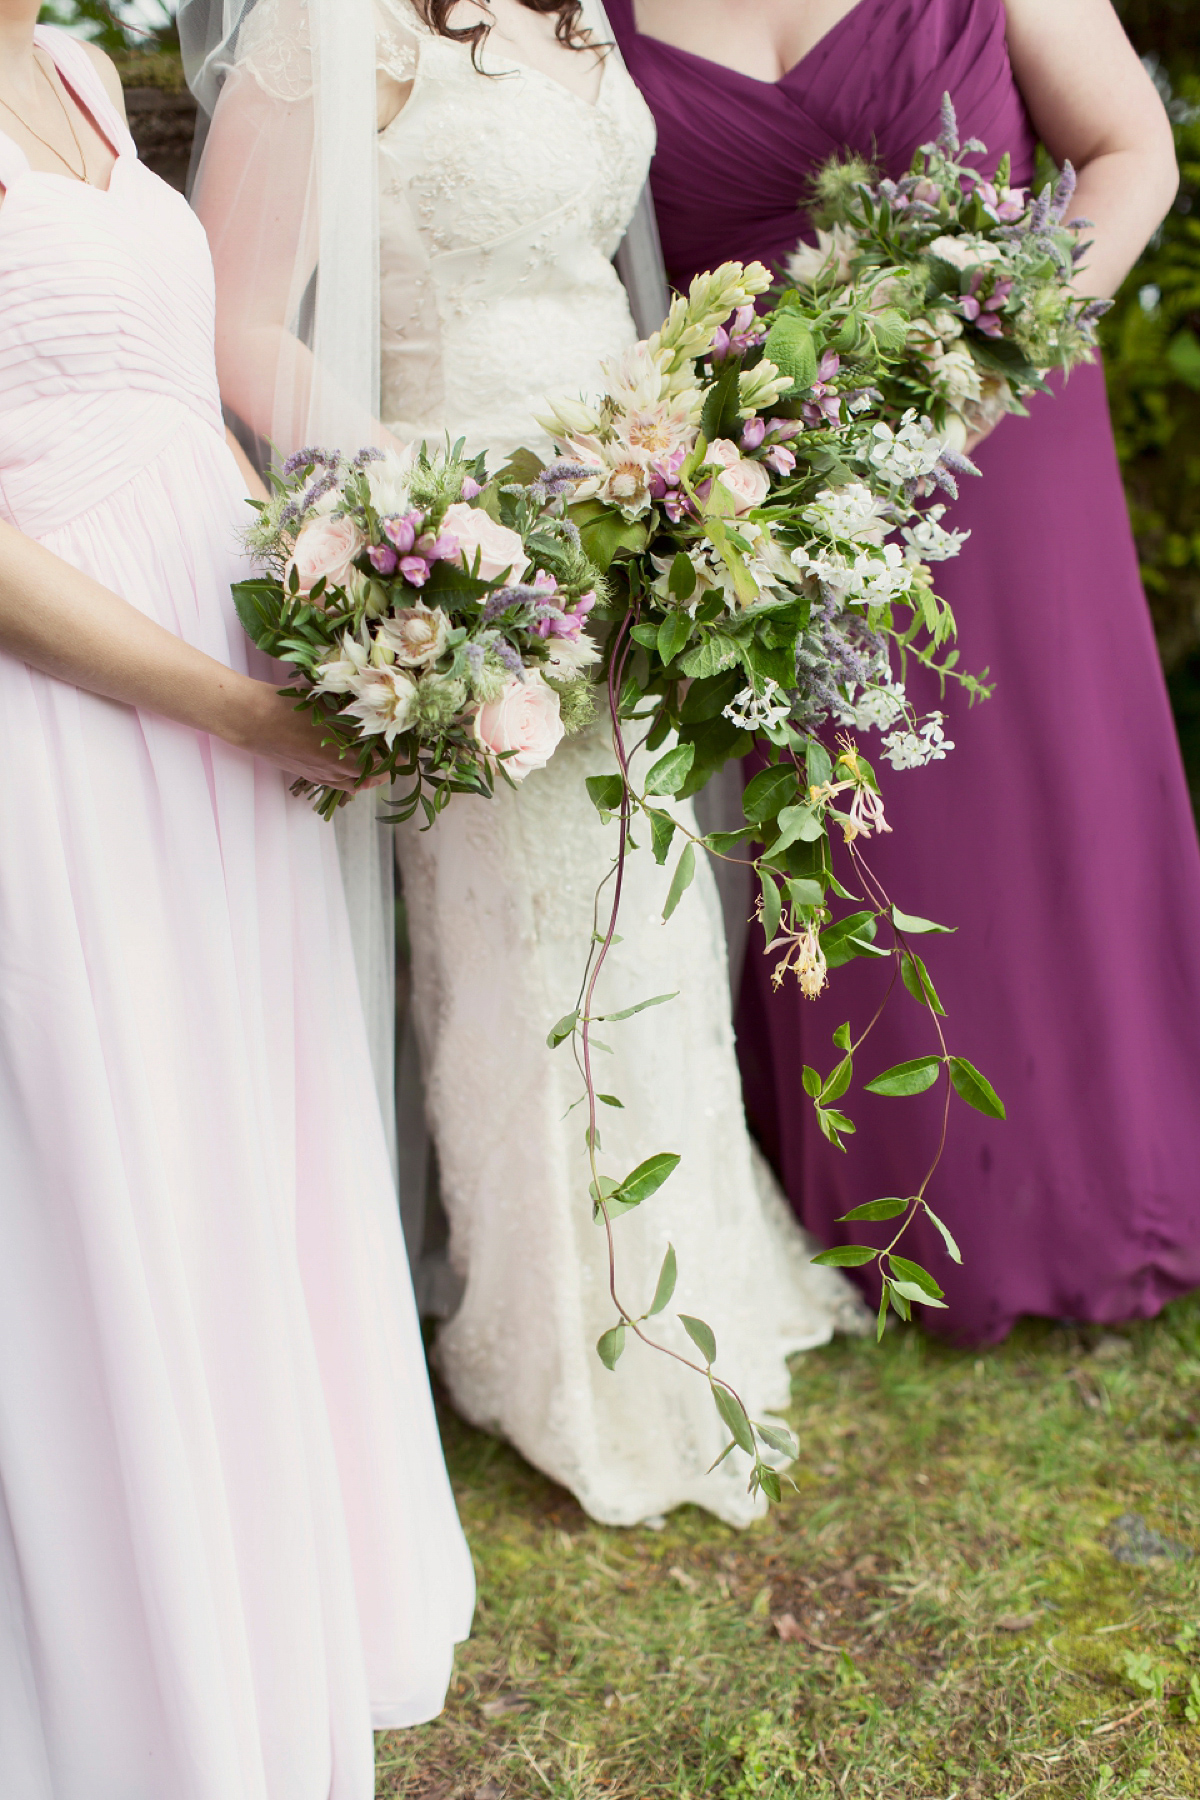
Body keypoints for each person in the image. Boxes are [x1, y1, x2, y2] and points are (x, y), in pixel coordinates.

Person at [186, 0, 866, 1530]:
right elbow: (234, 317)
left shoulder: (570, 6)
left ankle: (698, 1289)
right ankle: (563, 1349)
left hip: (631, 506)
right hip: (478, 547)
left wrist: (682, 459)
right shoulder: (324, 27)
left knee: (651, 907)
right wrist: (426, 515)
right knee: (536, 944)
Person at [0, 14, 474, 1796]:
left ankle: (265, 1593)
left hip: (220, 693)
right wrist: (226, 704)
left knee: (234, 1139)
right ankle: (135, 1678)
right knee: (101, 1160)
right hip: (67, 726)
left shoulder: (61, 65)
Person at [608, 0, 1200, 1344]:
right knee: (873, 832)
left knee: (1049, 787)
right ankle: (890, 1217)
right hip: (781, 484)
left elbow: (1130, 151)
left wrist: (992, 341)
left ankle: (1126, 1190)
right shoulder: (593, 16)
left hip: (1006, 434)